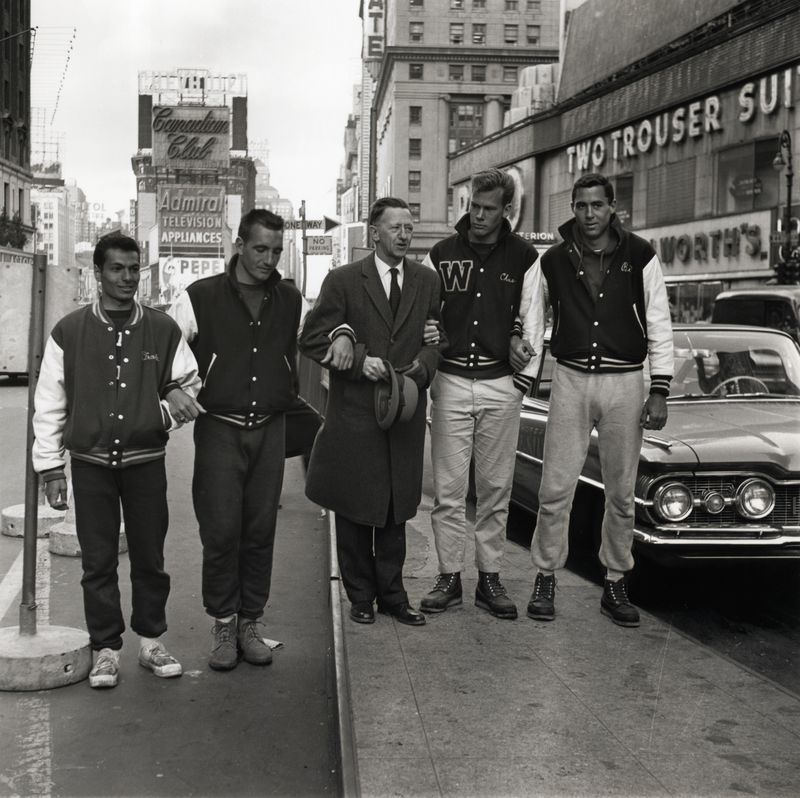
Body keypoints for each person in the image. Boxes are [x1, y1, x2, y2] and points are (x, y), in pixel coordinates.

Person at [32, 232, 201, 689]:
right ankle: (106, 649)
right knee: (98, 562)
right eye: (116, 269)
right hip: (90, 465)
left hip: (146, 461)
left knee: (150, 557)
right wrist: (50, 467)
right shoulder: (69, 331)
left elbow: (187, 381)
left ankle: (150, 642)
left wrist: (162, 412)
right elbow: (50, 402)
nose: (126, 278)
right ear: (98, 273)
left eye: (133, 269)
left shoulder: (163, 329)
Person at [525, 172, 673, 627]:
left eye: (597, 205)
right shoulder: (551, 260)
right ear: (572, 208)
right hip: (570, 379)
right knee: (555, 489)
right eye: (581, 206)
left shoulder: (641, 255)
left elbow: (659, 321)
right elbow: (533, 320)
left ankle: (614, 582)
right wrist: (525, 376)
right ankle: (545, 576)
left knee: (622, 494)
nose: (589, 214)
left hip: (625, 383)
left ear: (612, 208)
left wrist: (660, 389)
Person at [298, 197, 443, 627]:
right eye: (395, 227)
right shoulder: (343, 281)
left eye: (408, 227)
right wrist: (359, 360)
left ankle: (394, 597)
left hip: (404, 411)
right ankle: (359, 596)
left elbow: (436, 339)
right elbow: (311, 339)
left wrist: (423, 368)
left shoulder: (426, 281)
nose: (404, 235)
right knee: (356, 505)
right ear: (373, 233)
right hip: (357, 412)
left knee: (398, 506)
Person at [169, 208, 302, 670]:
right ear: (240, 245)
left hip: (270, 426)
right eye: (261, 248)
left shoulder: (290, 298)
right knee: (221, 529)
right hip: (220, 426)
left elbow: (317, 340)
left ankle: (251, 624)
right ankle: (224, 624)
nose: (268, 259)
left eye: (276, 251)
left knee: (260, 530)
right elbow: (166, 349)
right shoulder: (199, 296)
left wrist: (346, 336)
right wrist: (171, 388)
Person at [420, 168, 543, 620]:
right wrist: (428, 335)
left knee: (495, 489)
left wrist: (520, 383)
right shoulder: (441, 253)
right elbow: (425, 314)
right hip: (451, 381)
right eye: (474, 204)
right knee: (449, 491)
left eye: (489, 208)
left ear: (506, 210)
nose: (478, 214)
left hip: (499, 385)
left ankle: (490, 576)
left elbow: (534, 321)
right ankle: (449, 576)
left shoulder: (525, 257)